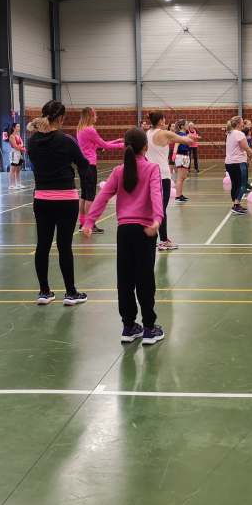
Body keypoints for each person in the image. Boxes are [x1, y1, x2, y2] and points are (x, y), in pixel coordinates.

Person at [83, 128, 165, 345]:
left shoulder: (119, 171)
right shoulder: (152, 168)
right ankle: (149, 328)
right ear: (145, 147)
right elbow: (156, 195)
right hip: (145, 230)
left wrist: (89, 221)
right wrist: (157, 220)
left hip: (125, 231)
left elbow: (102, 197)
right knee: (145, 278)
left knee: (125, 279)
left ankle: (128, 326)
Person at [28, 101, 90, 306]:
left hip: (42, 199)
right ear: (61, 118)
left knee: (42, 245)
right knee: (64, 246)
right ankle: (71, 293)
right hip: (66, 200)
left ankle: (44, 292)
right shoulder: (67, 141)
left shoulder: (32, 141)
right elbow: (83, 165)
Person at [146, 111, 196, 250]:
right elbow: (186, 141)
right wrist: (191, 136)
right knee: (161, 209)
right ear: (161, 121)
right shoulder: (164, 133)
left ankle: (155, 238)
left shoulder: (147, 133)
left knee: (154, 207)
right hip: (162, 176)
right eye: (164, 119)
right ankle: (163, 240)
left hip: (150, 175)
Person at [75, 107, 123, 232]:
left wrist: (116, 140)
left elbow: (97, 144)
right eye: (95, 115)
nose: (97, 117)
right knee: (90, 196)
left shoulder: (81, 129)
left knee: (84, 195)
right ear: (90, 116)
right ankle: (89, 224)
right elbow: (104, 145)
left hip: (82, 165)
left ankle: (82, 223)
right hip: (90, 165)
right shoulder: (90, 130)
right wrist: (121, 145)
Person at [224, 116, 252, 215]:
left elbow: (239, 148)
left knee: (235, 184)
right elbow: (247, 148)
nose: (243, 124)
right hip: (238, 163)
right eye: (242, 122)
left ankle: (235, 204)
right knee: (242, 184)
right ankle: (236, 205)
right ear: (238, 124)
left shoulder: (229, 133)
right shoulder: (239, 134)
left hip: (229, 163)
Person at [174, 119, 193, 203]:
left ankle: (180, 194)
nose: (188, 126)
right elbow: (176, 144)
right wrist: (174, 154)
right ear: (182, 126)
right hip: (181, 156)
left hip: (185, 156)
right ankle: (177, 196)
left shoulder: (185, 134)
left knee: (183, 177)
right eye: (186, 124)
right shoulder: (179, 135)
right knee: (180, 177)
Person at [7, 122, 26, 190]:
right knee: (13, 169)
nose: (19, 128)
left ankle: (18, 184)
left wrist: (22, 148)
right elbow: (15, 146)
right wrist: (22, 149)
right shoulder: (12, 136)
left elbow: (21, 145)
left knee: (18, 169)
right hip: (14, 153)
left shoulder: (18, 136)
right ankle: (11, 185)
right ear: (13, 128)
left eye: (19, 126)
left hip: (19, 153)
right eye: (17, 126)